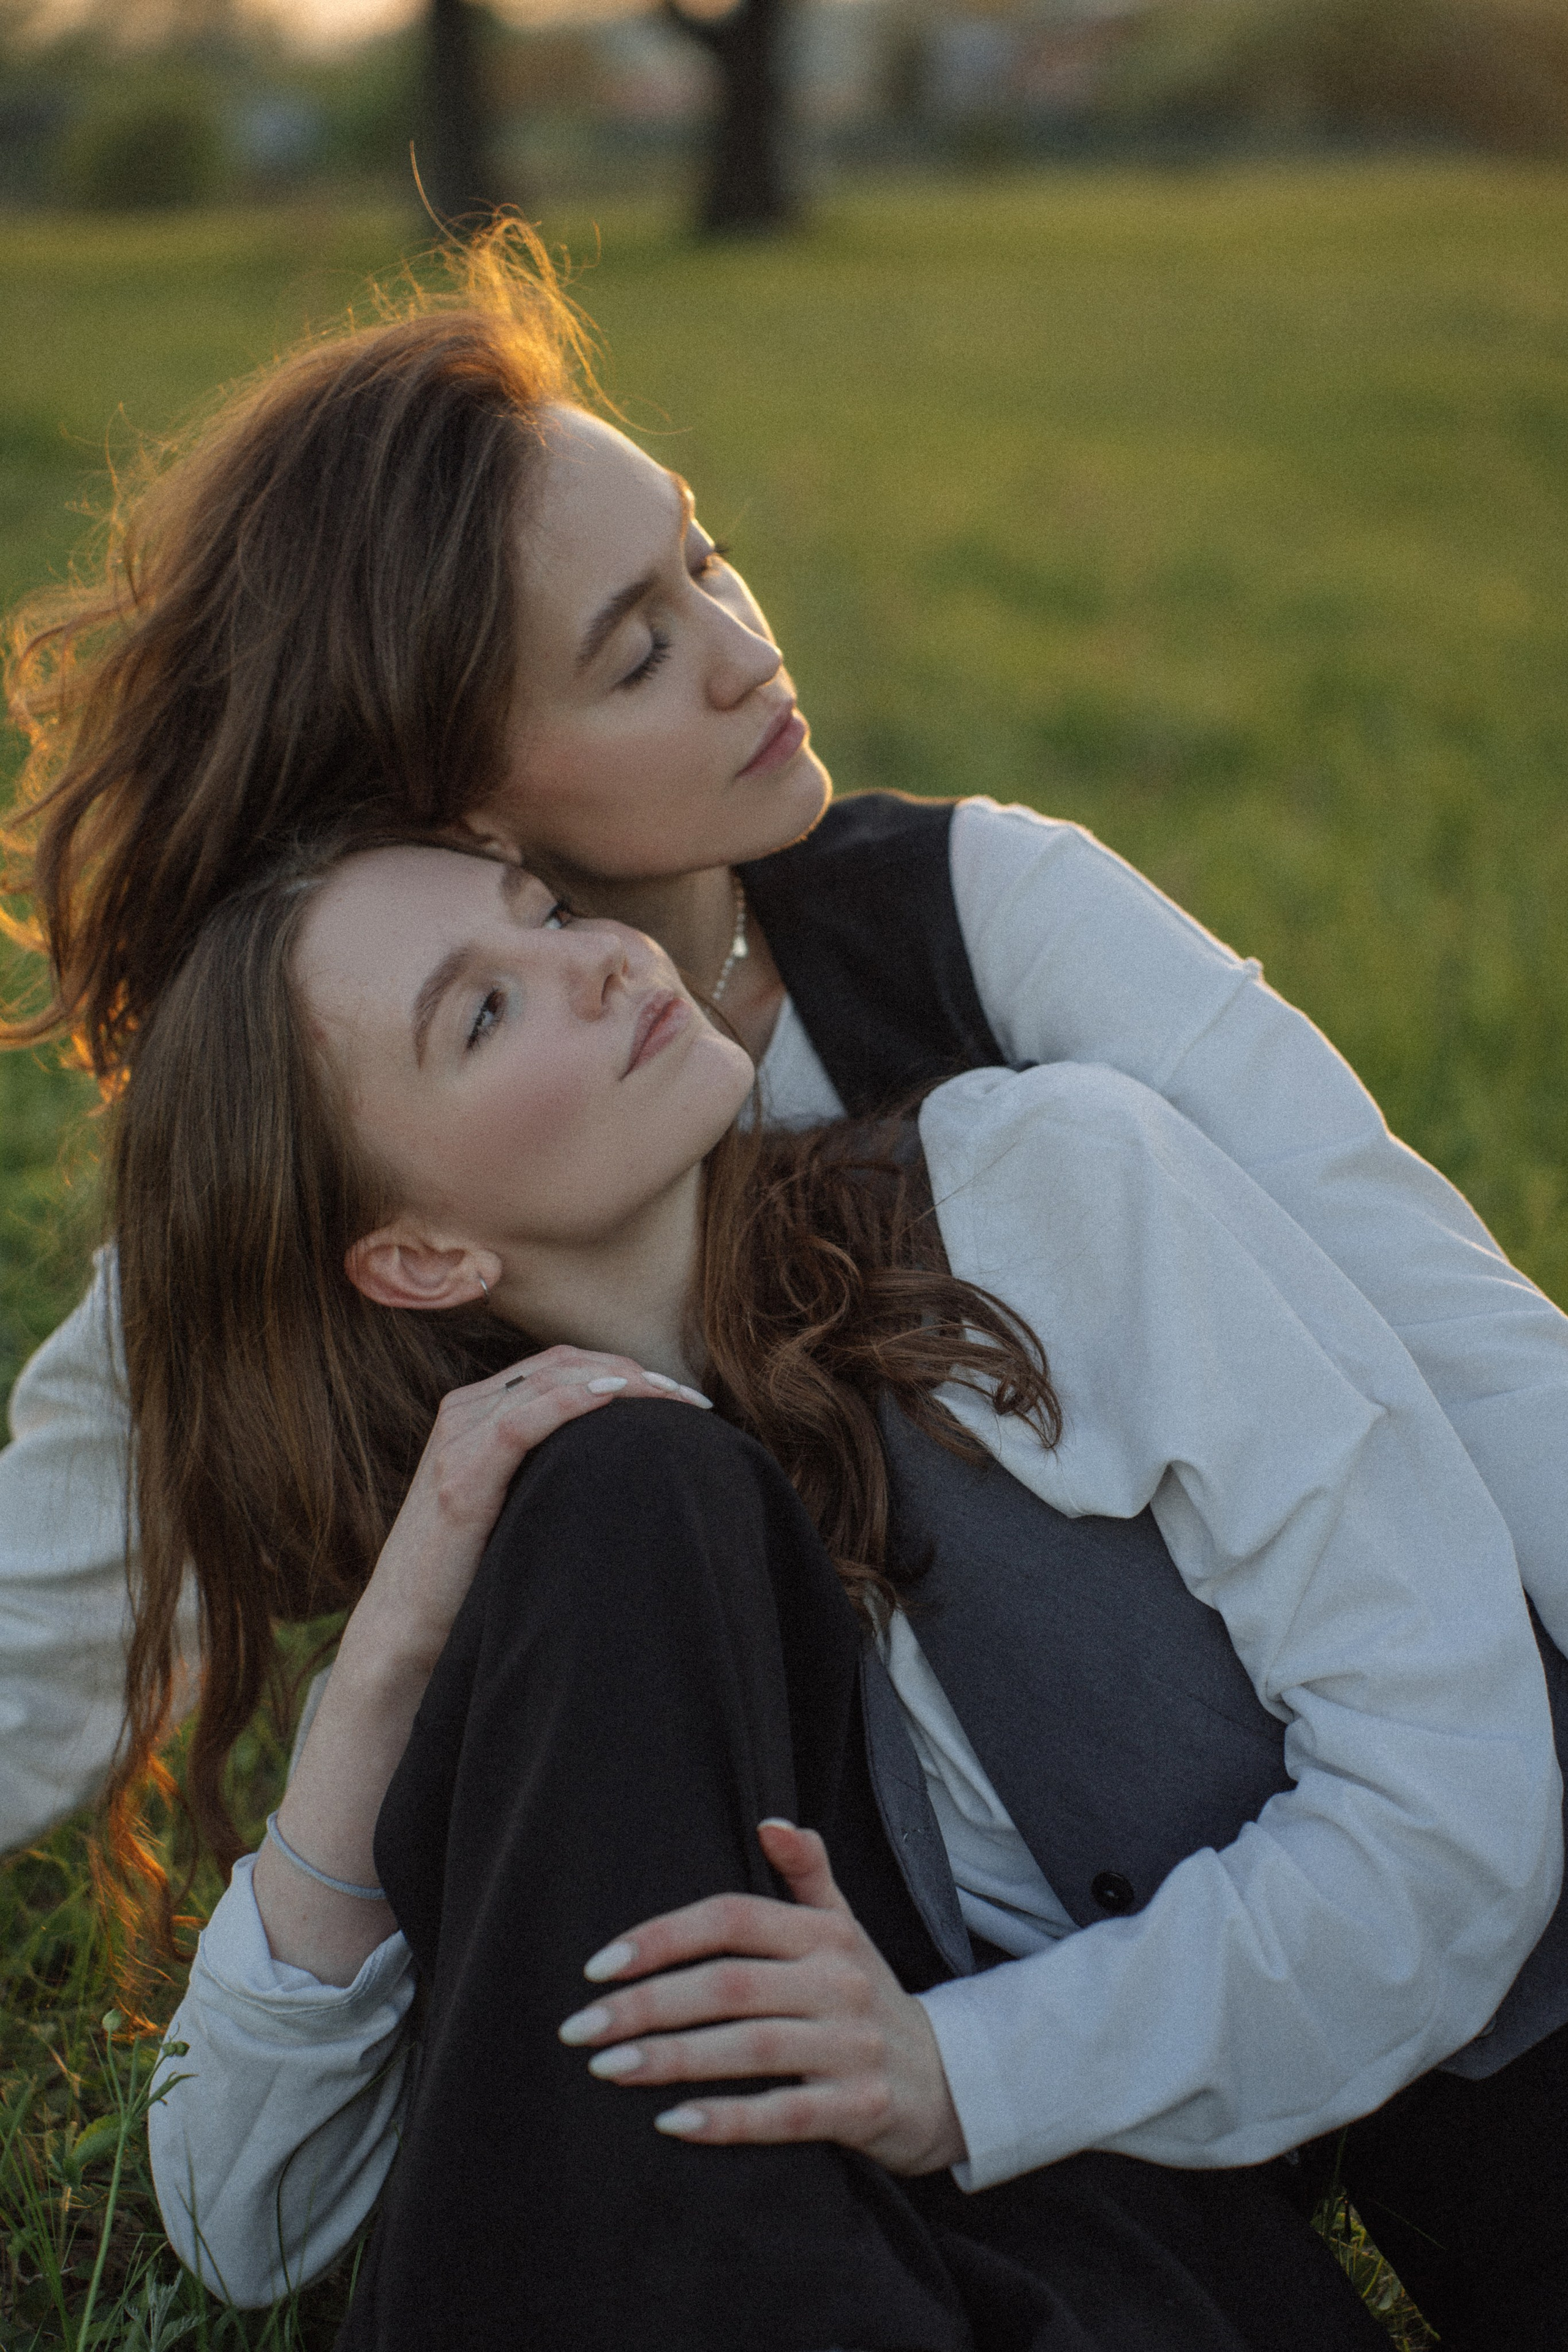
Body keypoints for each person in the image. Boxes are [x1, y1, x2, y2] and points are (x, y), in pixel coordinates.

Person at [1, 221, 1566, 2334]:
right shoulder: (393, 1233)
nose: (746, 651)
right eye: (634, 650)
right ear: (469, 797)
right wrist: (384, 1664)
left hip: (1406, 1931)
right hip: (999, 2084)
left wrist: (976, 2070)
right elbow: (54, 1629)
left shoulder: (991, 989)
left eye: (706, 564)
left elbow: (1461, 1358)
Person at [117, 839, 1561, 2351]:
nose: (599, 958)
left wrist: (957, 2069)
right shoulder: (565, 1554)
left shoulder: (1036, 1192)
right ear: (421, 1255)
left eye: (546, 914)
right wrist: (386, 1661)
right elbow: (243, 2218)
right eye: (483, 1014)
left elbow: (1454, 1789)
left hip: (1399, 2117)